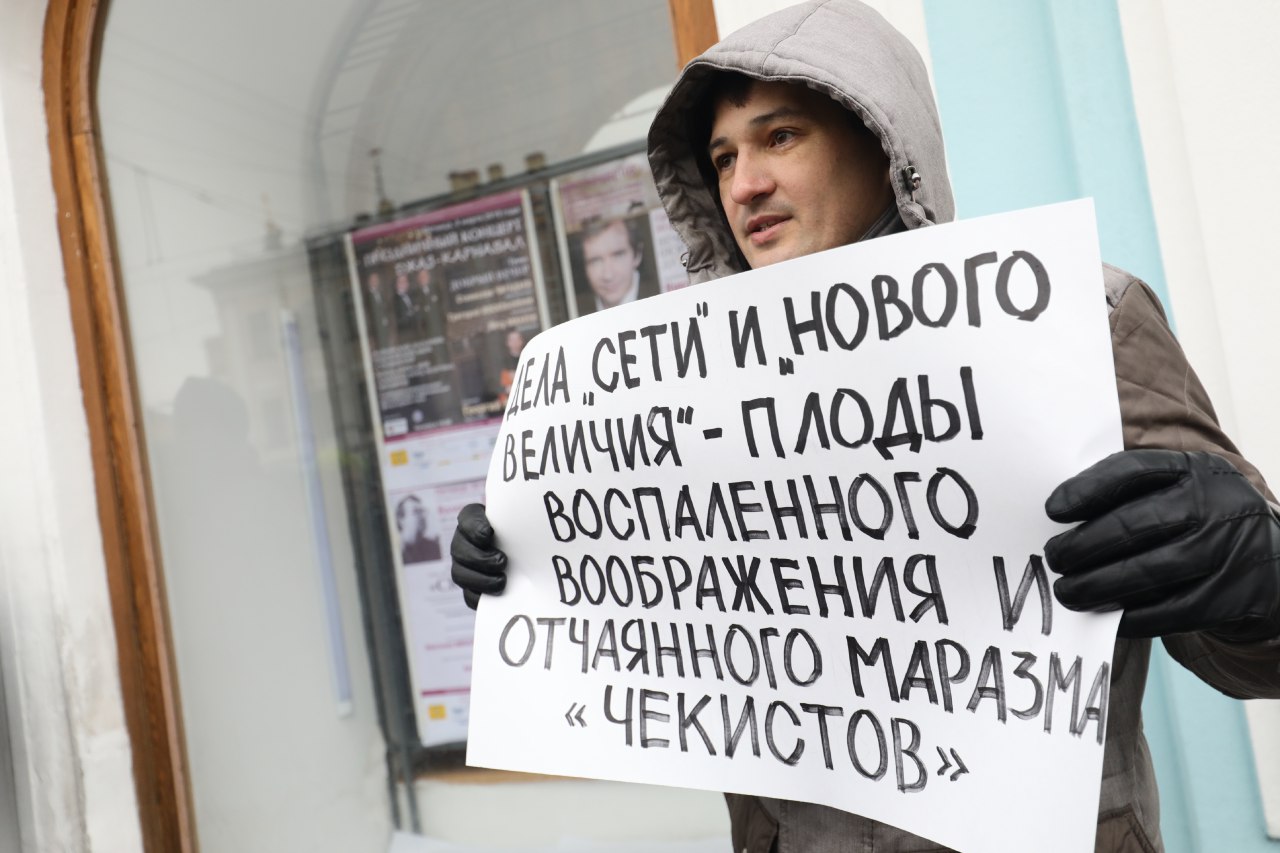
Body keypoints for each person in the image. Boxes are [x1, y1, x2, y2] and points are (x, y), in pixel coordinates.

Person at [452, 2, 1280, 850]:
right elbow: (659, 624)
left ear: (883, 145)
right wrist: (537, 564)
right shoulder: (681, 393)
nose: (743, 185)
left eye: (780, 137)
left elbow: (1254, 658)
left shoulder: (1073, 320)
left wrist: (1260, 576)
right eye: (723, 157)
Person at [577, 215, 658, 312]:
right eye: (595, 261)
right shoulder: (576, 309)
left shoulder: (663, 295)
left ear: (637, 255)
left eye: (618, 255)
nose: (608, 275)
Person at [396, 494, 442, 564]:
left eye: (422, 511)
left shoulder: (434, 547)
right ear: (401, 520)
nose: (422, 516)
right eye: (416, 512)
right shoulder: (395, 549)